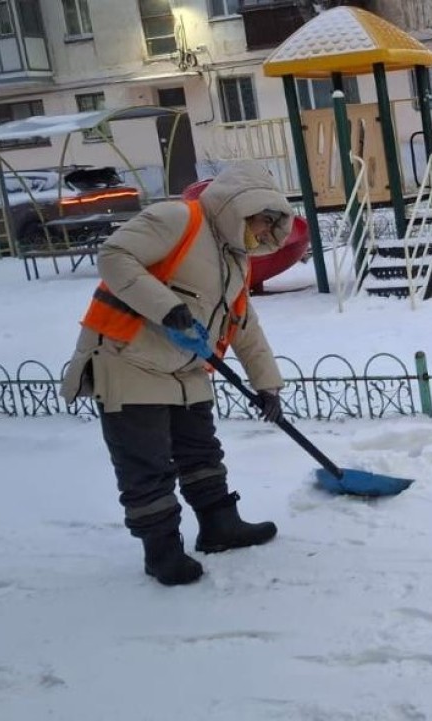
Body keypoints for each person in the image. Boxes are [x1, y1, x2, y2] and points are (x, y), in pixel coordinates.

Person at [61, 162, 295, 585]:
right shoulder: (178, 219)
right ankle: (162, 550)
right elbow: (114, 256)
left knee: (201, 454)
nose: (264, 235)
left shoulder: (234, 259)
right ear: (241, 207)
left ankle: (219, 524)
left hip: (185, 371)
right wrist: (166, 308)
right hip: (128, 360)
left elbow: (245, 326)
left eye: (271, 228)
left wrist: (268, 386)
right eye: (264, 222)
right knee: (146, 466)